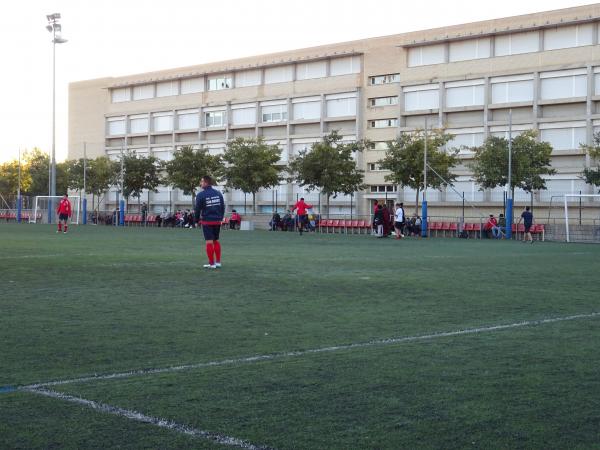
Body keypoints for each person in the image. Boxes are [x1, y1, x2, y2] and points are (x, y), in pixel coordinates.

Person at [194, 176, 225, 269]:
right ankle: (218, 262)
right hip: (217, 221)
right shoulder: (218, 193)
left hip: (207, 221)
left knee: (209, 242)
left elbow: (197, 209)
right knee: (215, 241)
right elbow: (222, 207)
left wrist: (196, 221)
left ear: (206, 183)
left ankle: (212, 264)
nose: (200, 183)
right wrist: (220, 218)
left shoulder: (200, 195)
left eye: (202, 181)